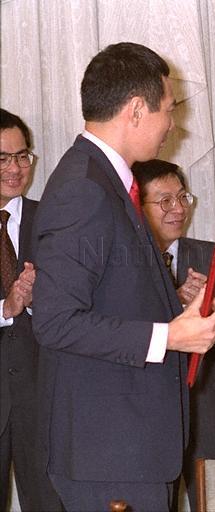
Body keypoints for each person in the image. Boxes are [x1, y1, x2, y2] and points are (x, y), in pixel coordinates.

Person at [31, 42, 215, 511]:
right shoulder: (84, 187)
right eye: (168, 110)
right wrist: (169, 336)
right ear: (136, 109)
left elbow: (114, 298)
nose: (172, 125)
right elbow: (56, 321)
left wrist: (187, 316)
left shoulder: (104, 179)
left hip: (129, 449)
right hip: (108, 454)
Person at [133, 159, 215, 512]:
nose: (178, 209)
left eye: (182, 197)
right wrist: (178, 305)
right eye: (164, 201)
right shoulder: (125, 258)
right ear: (137, 206)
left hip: (208, 415)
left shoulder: (212, 253)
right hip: (147, 416)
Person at [0, 109, 62, 511]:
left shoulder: (52, 222)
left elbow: (78, 302)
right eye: (2, 158)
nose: (16, 168)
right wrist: (7, 306)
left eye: (23, 156)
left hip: (43, 398)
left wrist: (42, 301)